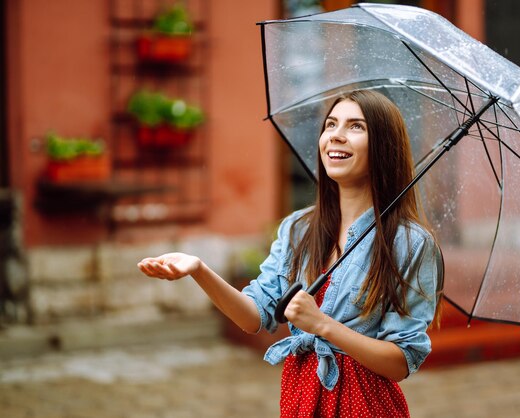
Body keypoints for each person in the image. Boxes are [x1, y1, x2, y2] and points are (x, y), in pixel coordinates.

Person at [137, 89, 444, 417]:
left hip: (365, 405)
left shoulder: (410, 244)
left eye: (356, 127)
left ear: (385, 147)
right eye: (330, 125)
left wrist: (323, 325)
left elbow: (401, 360)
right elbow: (254, 315)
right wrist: (198, 270)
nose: (336, 136)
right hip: (301, 396)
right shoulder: (297, 229)